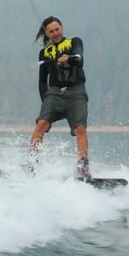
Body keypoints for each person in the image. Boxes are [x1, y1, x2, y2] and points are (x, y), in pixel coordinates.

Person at [29, 16, 91, 179]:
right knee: (41, 124)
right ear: (47, 34)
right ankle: (32, 162)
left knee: (80, 129)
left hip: (76, 90)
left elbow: (80, 59)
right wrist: (45, 101)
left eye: (57, 29)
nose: (55, 33)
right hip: (55, 92)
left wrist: (68, 58)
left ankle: (83, 167)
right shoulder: (44, 53)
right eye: (51, 31)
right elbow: (42, 81)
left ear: (61, 28)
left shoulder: (74, 42)